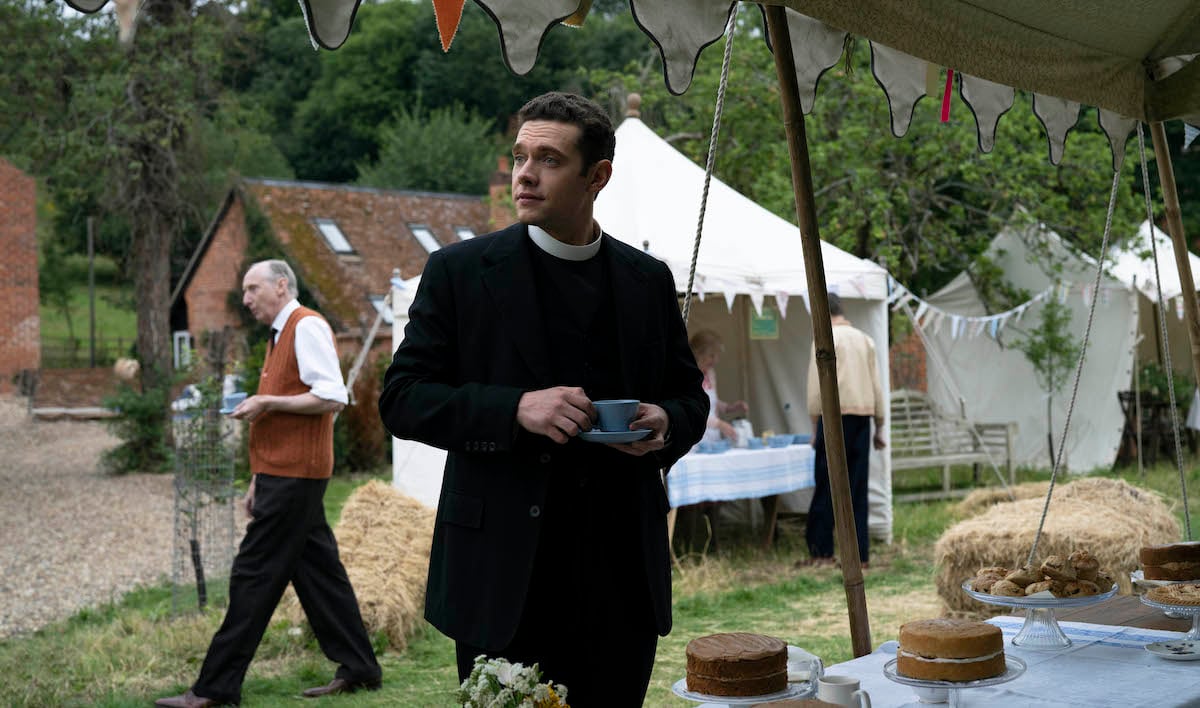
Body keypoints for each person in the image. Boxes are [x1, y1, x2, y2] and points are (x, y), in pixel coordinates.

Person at [378, 92, 708, 706]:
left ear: (597, 176)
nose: (524, 173)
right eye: (520, 156)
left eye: (549, 159)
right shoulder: (458, 272)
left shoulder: (647, 280)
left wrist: (667, 420)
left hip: (619, 582)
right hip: (503, 581)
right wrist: (513, 409)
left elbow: (689, 396)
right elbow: (402, 399)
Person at [156, 260, 381, 708]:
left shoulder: (306, 326)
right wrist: (258, 478)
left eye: (252, 288)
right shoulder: (279, 334)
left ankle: (215, 690)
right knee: (319, 575)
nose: (246, 299)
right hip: (283, 475)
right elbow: (283, 415)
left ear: (282, 285)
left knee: (252, 576)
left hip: (296, 476)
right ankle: (360, 668)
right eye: (244, 291)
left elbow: (333, 396)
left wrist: (266, 401)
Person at [804, 292, 886, 568]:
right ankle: (860, 555)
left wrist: (815, 425)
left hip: (834, 418)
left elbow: (816, 390)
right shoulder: (864, 339)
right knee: (857, 489)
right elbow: (876, 385)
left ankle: (821, 551)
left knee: (827, 485)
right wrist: (880, 425)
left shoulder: (825, 339)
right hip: (862, 419)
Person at [688, 329, 749, 443]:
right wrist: (720, 424)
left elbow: (711, 402)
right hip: (694, 440)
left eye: (717, 356)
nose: (715, 360)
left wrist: (730, 408)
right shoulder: (688, 375)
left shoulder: (710, 374)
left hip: (712, 437)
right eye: (711, 355)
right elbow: (692, 412)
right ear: (697, 353)